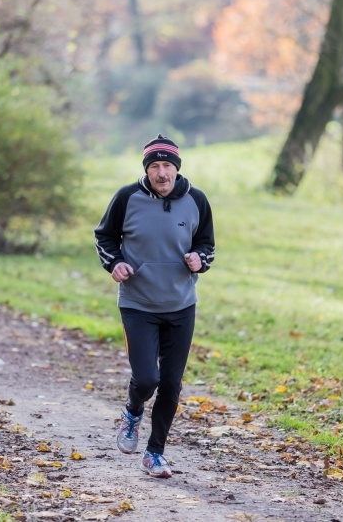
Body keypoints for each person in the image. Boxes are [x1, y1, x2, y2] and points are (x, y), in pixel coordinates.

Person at [94, 134, 215, 478]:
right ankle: (133, 412)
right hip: (138, 303)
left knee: (172, 384)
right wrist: (114, 263)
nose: (162, 173)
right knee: (147, 378)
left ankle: (155, 453)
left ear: (177, 168)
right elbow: (104, 236)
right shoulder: (127, 197)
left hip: (181, 305)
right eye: (155, 166)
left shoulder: (197, 200)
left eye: (167, 166)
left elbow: (207, 244)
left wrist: (199, 259)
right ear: (146, 169)